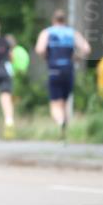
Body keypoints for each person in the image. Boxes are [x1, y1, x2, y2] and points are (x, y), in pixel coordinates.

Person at [34, 9, 91, 141]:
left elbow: (40, 49)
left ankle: (60, 123)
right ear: (64, 20)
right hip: (68, 70)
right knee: (65, 103)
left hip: (54, 69)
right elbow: (86, 48)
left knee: (55, 103)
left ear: (53, 20)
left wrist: (46, 57)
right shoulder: (72, 32)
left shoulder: (47, 32)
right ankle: (64, 133)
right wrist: (77, 57)